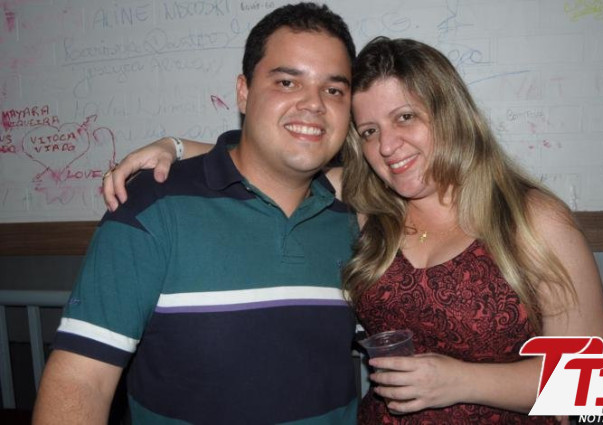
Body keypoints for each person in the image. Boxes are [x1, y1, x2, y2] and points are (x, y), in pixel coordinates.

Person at [102, 37, 603, 424]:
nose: (387, 146)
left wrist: (460, 381)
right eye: (369, 131)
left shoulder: (533, 219)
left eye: (406, 117)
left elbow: (602, 389)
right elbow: (264, 160)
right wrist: (173, 148)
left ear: (451, 114)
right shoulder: (368, 203)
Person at [33, 3, 360, 424]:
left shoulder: (355, 217)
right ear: (243, 92)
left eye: (334, 90)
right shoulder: (153, 206)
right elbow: (82, 382)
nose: (313, 104)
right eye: (286, 82)